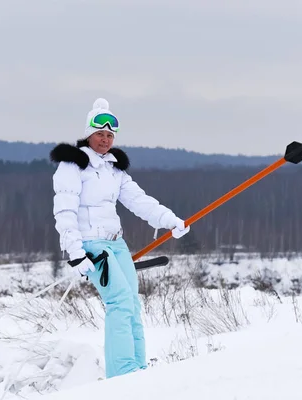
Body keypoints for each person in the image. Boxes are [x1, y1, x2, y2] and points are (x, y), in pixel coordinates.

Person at [49, 98, 190, 379]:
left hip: (116, 243)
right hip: (92, 245)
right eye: (100, 134)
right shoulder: (72, 166)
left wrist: (169, 220)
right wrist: (75, 251)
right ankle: (122, 374)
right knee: (119, 302)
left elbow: (139, 200)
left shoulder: (115, 170)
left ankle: (138, 369)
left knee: (133, 306)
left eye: (110, 135)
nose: (105, 139)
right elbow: (64, 210)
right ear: (88, 134)